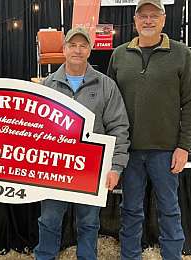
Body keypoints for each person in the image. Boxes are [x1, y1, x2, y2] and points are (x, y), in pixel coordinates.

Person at [107, 0, 191, 259]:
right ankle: (130, 256)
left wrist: (183, 146)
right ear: (135, 21)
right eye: (143, 16)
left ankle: (172, 255)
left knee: (169, 209)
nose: (148, 21)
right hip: (129, 151)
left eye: (153, 15)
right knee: (130, 210)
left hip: (166, 150)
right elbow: (109, 103)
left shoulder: (182, 54)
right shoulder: (119, 54)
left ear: (163, 18)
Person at [34, 27, 130, 260]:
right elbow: (36, 130)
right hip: (54, 168)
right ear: (64, 49)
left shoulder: (106, 85)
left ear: (90, 50)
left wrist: (116, 167)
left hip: (91, 168)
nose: (77, 50)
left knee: (88, 222)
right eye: (73, 45)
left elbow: (119, 127)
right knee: (49, 220)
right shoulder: (48, 86)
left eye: (83, 45)